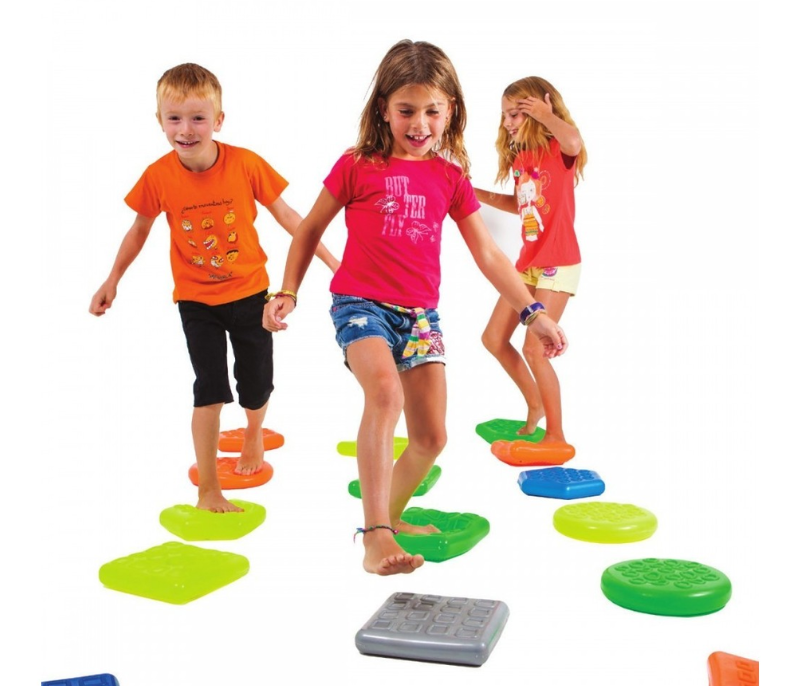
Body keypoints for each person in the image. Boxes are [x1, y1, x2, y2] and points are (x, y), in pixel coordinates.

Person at [263, 41, 568, 575]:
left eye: (432, 111)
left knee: (431, 437)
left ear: (451, 111)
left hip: (420, 316)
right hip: (360, 304)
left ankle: (393, 518)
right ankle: (375, 534)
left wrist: (532, 312)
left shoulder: (449, 177)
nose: (420, 124)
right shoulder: (357, 165)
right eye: (406, 110)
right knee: (385, 393)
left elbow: (489, 254)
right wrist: (287, 290)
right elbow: (309, 229)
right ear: (384, 108)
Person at [89, 63, 337, 513]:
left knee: (256, 381)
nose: (186, 130)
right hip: (196, 300)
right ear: (160, 121)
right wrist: (112, 279)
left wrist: (334, 263)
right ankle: (208, 488)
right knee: (209, 387)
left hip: (251, 293)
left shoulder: (245, 163)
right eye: (174, 118)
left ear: (218, 120)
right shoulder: (158, 175)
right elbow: (139, 230)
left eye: (198, 118)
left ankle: (254, 434)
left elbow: (291, 218)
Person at [473, 76, 586, 442]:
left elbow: (574, 141)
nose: (507, 122)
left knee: (534, 350)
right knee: (493, 338)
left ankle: (556, 435)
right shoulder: (523, 159)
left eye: (515, 114)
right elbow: (521, 204)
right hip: (529, 264)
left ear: (537, 112)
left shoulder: (558, 149)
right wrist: (474, 194)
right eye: (504, 115)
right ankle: (535, 405)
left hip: (558, 262)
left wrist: (546, 116)